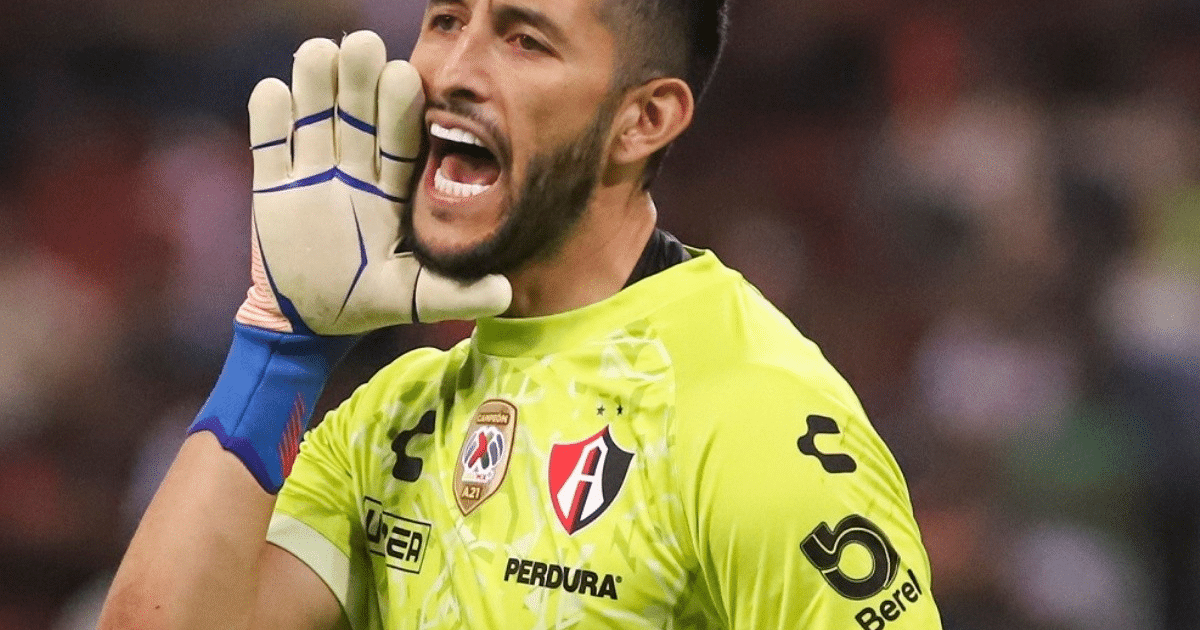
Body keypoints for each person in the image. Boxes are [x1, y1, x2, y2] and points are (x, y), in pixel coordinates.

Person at [99, 0, 943, 628]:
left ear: (643, 119)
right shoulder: (401, 410)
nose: (453, 71)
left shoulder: (748, 412)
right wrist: (275, 346)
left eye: (523, 39)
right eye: (445, 21)